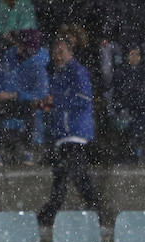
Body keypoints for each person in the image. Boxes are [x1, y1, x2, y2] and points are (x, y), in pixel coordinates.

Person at [35, 36, 102, 228]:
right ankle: (91, 213)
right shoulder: (58, 74)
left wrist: (55, 102)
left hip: (75, 133)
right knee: (67, 176)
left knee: (71, 176)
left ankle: (51, 214)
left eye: (61, 52)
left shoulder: (77, 72)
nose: (57, 56)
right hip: (64, 134)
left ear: (70, 53)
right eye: (55, 52)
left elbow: (82, 99)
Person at [0, 28, 48, 165]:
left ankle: (28, 150)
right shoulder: (7, 57)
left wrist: (15, 95)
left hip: (24, 102)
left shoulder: (38, 65)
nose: (20, 49)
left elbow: (40, 94)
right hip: (3, 101)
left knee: (30, 110)